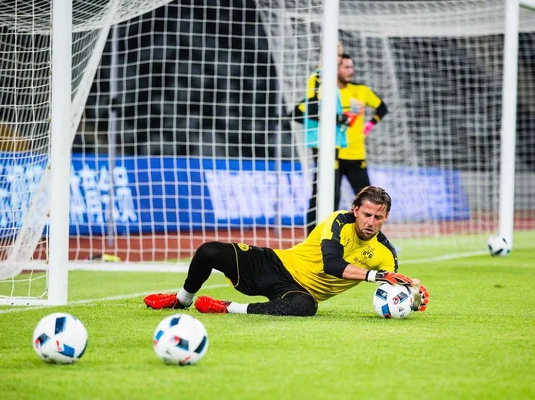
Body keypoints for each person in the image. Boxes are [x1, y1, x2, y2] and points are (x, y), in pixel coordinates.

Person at [144, 186, 429, 317]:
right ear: (355, 210)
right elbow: (331, 264)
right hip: (276, 264)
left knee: (306, 307)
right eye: (366, 214)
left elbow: (396, 285)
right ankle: (182, 300)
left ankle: (227, 308)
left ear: (386, 218)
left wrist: (413, 295)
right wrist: (376, 275)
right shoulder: (338, 222)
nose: (370, 222)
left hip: (299, 292)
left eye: (378, 218)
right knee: (208, 251)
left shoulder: (385, 253)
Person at [293, 42, 355, 235]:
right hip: (321, 141)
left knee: (330, 188)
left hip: (331, 140)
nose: (340, 58)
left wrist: (342, 119)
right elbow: (310, 109)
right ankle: (314, 235)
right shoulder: (319, 77)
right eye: (337, 55)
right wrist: (337, 118)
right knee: (323, 189)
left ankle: (325, 234)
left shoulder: (329, 80)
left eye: (341, 55)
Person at [335, 54, 388, 210]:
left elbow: (382, 108)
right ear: (335, 68)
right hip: (333, 155)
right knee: (331, 200)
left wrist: (369, 126)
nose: (351, 71)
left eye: (352, 67)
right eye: (346, 67)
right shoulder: (327, 92)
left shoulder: (361, 91)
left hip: (356, 154)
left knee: (367, 200)